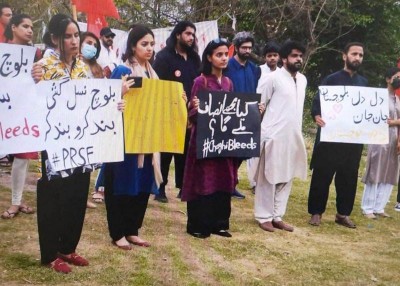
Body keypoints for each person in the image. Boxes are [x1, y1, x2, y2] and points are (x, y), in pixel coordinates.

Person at [35, 14, 126, 273]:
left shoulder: (82, 68)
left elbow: (91, 103)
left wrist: (113, 104)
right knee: (54, 197)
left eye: (76, 35)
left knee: (77, 194)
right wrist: (31, 79)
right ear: (55, 38)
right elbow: (31, 99)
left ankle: (68, 246)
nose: (75, 41)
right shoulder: (44, 66)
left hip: (81, 144)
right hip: (55, 143)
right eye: (68, 36)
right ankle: (51, 253)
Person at [104, 25, 163, 250]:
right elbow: (105, 102)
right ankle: (117, 231)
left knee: (141, 184)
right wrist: (120, 94)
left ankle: (132, 229)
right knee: (121, 183)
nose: (149, 49)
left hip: (147, 138)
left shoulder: (153, 73)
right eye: (144, 44)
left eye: (151, 44)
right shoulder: (122, 70)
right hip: (124, 139)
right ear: (132, 46)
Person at [182, 39, 238, 239]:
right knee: (203, 181)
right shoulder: (201, 81)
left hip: (223, 142)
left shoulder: (229, 83)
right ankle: (198, 224)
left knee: (222, 180)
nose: (224, 58)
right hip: (204, 142)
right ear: (209, 57)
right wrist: (195, 107)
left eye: (226, 54)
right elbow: (192, 115)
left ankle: (219, 223)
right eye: (219, 55)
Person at [308, 42, 368, 228]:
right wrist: (316, 115)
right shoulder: (331, 79)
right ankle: (316, 212)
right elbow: (317, 103)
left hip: (352, 142)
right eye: (354, 54)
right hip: (330, 139)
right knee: (322, 176)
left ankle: (343, 214)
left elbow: (368, 110)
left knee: (349, 178)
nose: (357, 58)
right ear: (345, 56)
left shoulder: (364, 83)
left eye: (360, 55)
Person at [255, 40, 307, 233]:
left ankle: (277, 215)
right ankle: (263, 216)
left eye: (300, 56)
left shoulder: (302, 80)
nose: (298, 59)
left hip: (293, 136)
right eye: (294, 55)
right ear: (284, 58)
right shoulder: (272, 78)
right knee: (268, 176)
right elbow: (259, 104)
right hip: (272, 134)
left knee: (286, 176)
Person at [152, 20, 201, 203]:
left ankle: (183, 187)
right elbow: (157, 84)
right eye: (188, 33)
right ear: (178, 34)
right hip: (168, 112)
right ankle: (160, 187)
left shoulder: (195, 58)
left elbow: (199, 82)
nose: (191, 37)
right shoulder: (164, 57)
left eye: (193, 34)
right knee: (166, 151)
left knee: (186, 151)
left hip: (190, 113)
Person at [0, 14, 39, 219]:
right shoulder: (2, 52)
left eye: (31, 27)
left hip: (24, 112)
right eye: (25, 26)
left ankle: (16, 201)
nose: (30, 30)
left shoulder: (36, 55)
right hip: (4, 110)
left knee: (22, 159)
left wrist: (37, 77)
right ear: (13, 27)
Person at [224, 31, 261, 199]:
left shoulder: (254, 69)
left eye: (250, 48)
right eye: (244, 47)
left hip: (247, 114)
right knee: (228, 151)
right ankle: (227, 183)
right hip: (229, 113)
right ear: (236, 48)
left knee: (242, 152)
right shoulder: (227, 66)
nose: (247, 51)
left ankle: (231, 183)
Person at [361, 67, 400, 219]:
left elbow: (394, 121)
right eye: (397, 76)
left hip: (394, 140)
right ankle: (368, 208)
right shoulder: (377, 97)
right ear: (388, 79)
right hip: (378, 138)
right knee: (375, 171)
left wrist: (395, 122)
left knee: (389, 172)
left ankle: (380, 207)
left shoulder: (397, 100)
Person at [247, 40, 281, 193]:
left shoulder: (282, 73)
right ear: (265, 57)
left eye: (275, 55)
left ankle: (267, 180)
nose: (272, 58)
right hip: (258, 109)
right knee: (255, 147)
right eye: (269, 56)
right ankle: (253, 182)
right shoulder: (259, 70)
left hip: (274, 114)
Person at [79, 31, 106, 207]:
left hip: (92, 118)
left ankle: (82, 196)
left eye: (95, 45)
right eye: (89, 43)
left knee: (87, 160)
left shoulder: (97, 69)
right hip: (75, 117)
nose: (92, 47)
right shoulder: (75, 65)